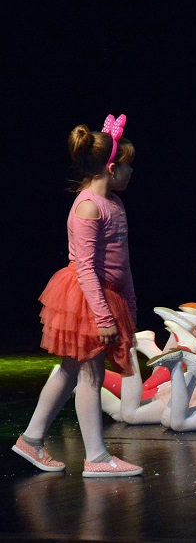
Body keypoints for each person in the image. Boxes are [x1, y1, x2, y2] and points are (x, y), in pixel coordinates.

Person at [13, 115, 143, 477]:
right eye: (128, 166)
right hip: (87, 297)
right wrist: (103, 317)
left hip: (106, 295)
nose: (131, 173)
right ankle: (97, 457)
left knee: (71, 370)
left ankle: (32, 438)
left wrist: (129, 305)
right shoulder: (88, 206)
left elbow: (122, 263)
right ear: (112, 169)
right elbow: (85, 268)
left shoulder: (114, 204)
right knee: (90, 373)